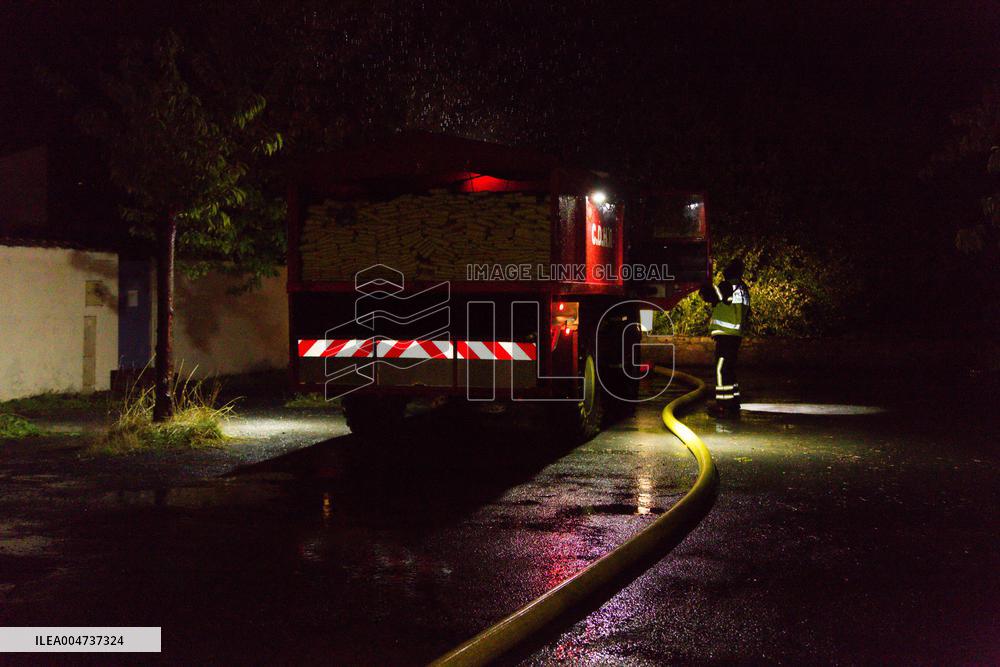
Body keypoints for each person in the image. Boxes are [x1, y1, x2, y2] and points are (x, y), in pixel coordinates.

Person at [699, 259, 750, 418]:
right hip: (735, 335)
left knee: (721, 369)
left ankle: (723, 406)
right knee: (730, 369)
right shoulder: (743, 288)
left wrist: (703, 283)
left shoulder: (728, 285)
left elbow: (710, 296)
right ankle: (734, 402)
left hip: (726, 336)